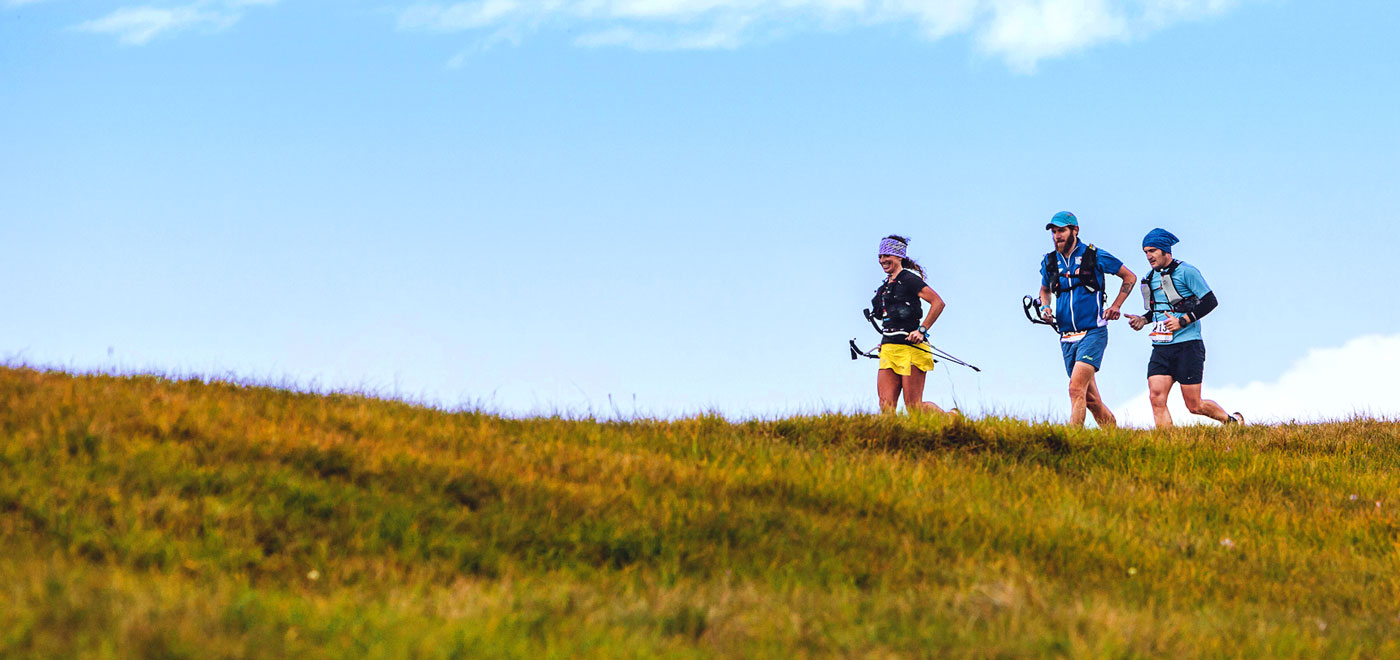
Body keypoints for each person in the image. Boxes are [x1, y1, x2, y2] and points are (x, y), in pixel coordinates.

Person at [1127, 228, 1244, 428]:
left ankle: (1232, 422)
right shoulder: (1149, 277)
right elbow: (1157, 311)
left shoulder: (1187, 271)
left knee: (1194, 405)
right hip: (1161, 346)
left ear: (1166, 251)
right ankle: (1167, 445)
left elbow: (1210, 301)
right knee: (1156, 397)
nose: (1149, 256)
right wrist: (1142, 320)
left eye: (1153, 251)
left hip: (1188, 345)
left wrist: (1183, 321)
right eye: (1145, 252)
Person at [1037, 212, 1137, 428]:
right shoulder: (1049, 261)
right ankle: (1115, 436)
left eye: (1061, 230)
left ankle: (1072, 440)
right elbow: (1044, 290)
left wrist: (1116, 306)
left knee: (1075, 389)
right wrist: (1045, 306)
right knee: (1090, 400)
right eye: (1053, 232)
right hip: (1066, 337)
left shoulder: (1095, 255)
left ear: (1075, 230)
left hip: (1093, 332)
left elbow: (1129, 277)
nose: (1056, 236)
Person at [872, 235, 949, 414]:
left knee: (914, 408)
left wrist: (922, 330)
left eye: (887, 256)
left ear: (899, 257)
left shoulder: (909, 279)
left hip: (912, 349)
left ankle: (950, 419)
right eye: (880, 256)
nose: (883, 260)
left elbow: (938, 302)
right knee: (886, 406)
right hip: (889, 349)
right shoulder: (885, 287)